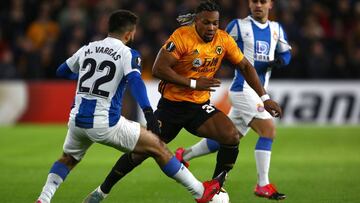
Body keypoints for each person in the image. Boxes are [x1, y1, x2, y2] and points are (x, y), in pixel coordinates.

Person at [83, 1, 282, 202]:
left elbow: (246, 66)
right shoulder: (182, 37)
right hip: (171, 107)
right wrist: (194, 83)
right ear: (197, 21)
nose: (212, 28)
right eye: (206, 23)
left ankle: (215, 187)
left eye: (215, 23)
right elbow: (159, 69)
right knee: (139, 154)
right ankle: (102, 191)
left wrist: (264, 98)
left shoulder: (223, 40)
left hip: (198, 107)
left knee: (231, 137)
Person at [35, 10, 226, 203]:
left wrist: (86, 78)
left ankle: (43, 199)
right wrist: (148, 112)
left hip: (77, 121)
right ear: (129, 34)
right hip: (105, 123)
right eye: (133, 32)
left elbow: (61, 71)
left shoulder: (88, 48)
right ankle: (200, 193)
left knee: (67, 160)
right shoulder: (127, 53)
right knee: (158, 147)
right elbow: (135, 82)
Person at [175, 0, 292, 200]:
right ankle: (263, 184)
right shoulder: (238, 26)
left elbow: (286, 52)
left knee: (230, 138)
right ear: (249, 3)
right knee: (269, 130)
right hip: (242, 89)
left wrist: (280, 61)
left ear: (270, 4)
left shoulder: (276, 29)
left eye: (263, 1)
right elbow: (216, 42)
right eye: (254, 1)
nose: (258, 5)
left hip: (256, 91)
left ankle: (183, 155)